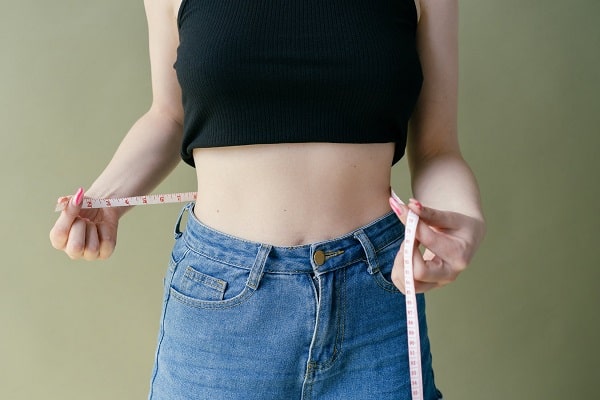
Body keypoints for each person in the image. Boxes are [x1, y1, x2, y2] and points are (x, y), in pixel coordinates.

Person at [49, 0, 485, 398]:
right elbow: (169, 115)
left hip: (375, 293)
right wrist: (106, 199)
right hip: (221, 299)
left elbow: (436, 149)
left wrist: (464, 222)